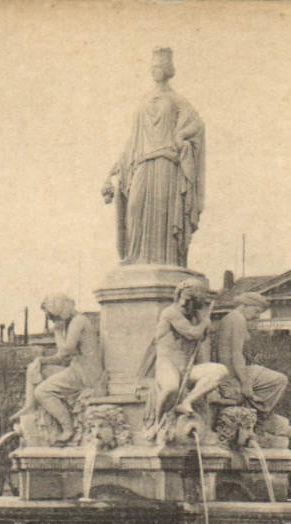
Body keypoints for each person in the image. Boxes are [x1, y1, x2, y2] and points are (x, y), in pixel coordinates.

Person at [101, 47, 205, 267]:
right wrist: (115, 169)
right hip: (141, 164)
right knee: (135, 208)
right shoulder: (144, 100)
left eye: (158, 66)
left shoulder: (176, 99)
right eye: (152, 66)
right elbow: (133, 139)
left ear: (167, 69)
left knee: (161, 216)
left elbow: (197, 124)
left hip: (166, 164)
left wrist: (180, 135)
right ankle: (136, 257)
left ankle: (165, 260)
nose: (154, 70)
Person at [139, 280, 227, 426]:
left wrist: (205, 323)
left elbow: (203, 335)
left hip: (186, 368)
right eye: (184, 300)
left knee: (220, 371)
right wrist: (205, 322)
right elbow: (193, 333)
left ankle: (187, 401)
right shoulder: (170, 313)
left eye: (190, 302)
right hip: (167, 366)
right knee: (171, 388)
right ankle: (157, 423)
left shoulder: (196, 317)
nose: (184, 305)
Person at [22, 294, 107, 444]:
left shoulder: (78, 322)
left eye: (53, 317)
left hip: (86, 373)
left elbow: (64, 353)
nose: (53, 321)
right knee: (34, 368)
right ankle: (29, 408)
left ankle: (67, 428)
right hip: (78, 368)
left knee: (42, 391)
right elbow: (65, 357)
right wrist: (41, 360)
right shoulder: (75, 322)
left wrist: (58, 331)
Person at [213, 293, 288, 415]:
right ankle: (259, 414)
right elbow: (236, 355)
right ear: (245, 305)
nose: (257, 316)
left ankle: (254, 410)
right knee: (280, 380)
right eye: (256, 311)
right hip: (232, 373)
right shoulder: (238, 319)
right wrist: (245, 383)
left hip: (229, 370)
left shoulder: (230, 318)